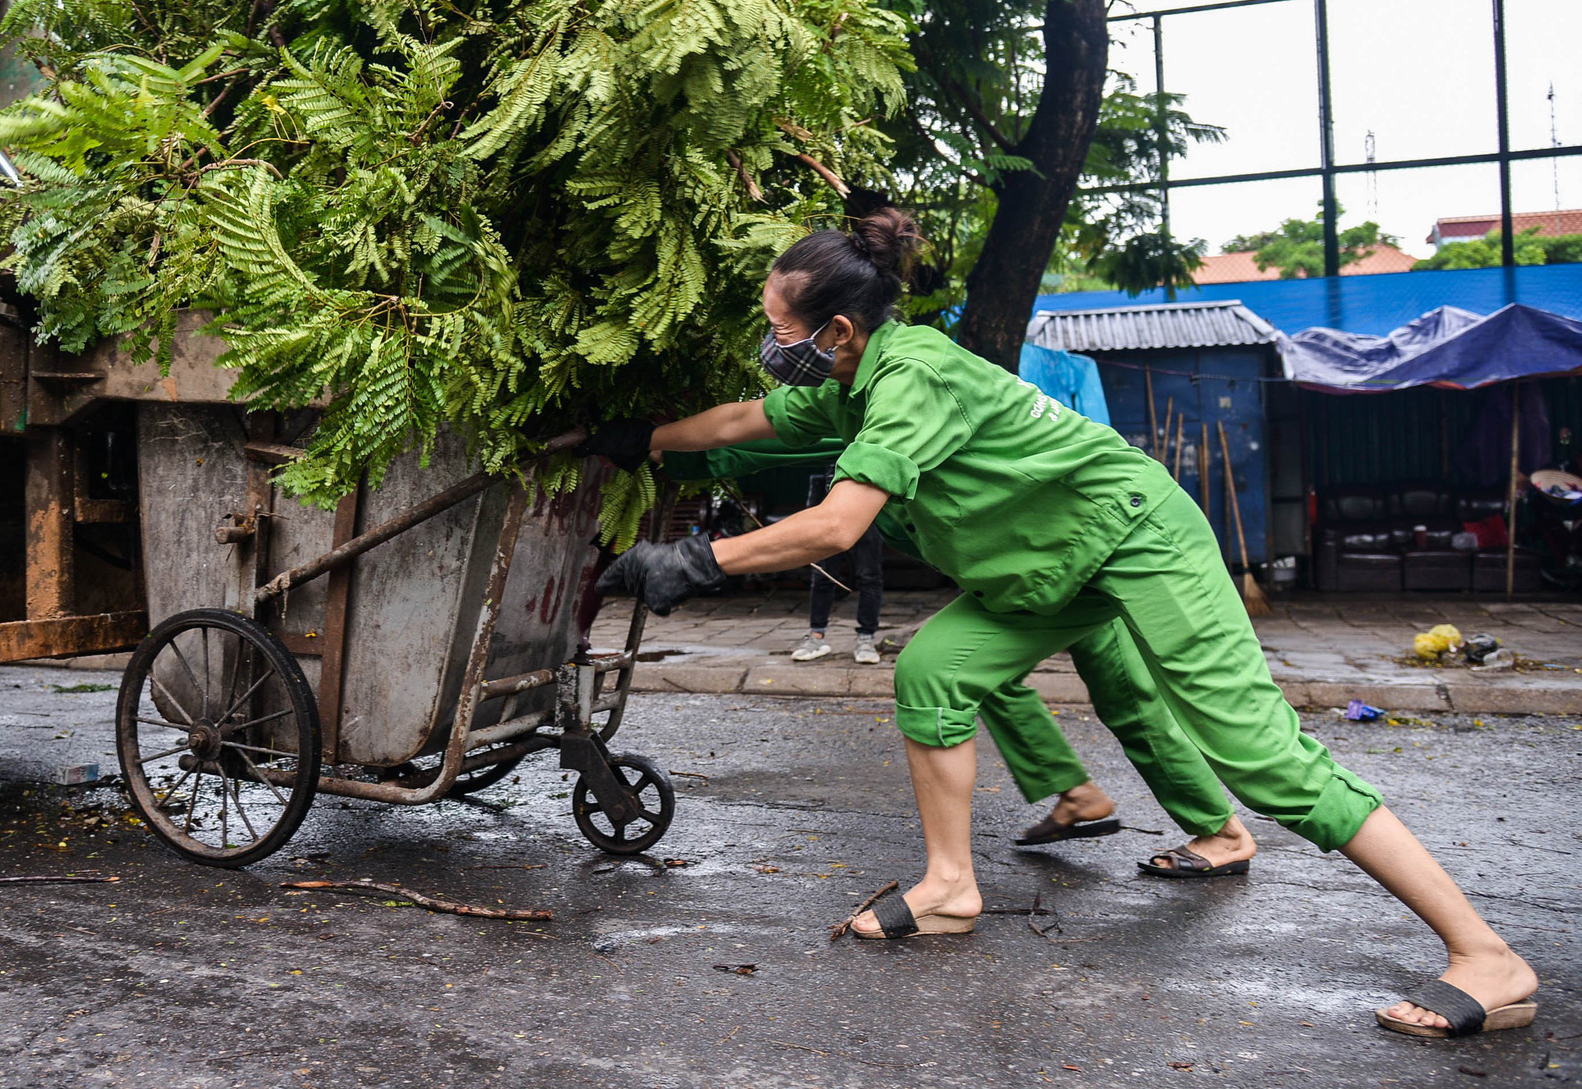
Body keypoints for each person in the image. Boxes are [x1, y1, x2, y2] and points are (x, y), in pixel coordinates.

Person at [585, 207, 1538, 1038]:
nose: (770, 343)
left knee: (1261, 756)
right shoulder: (852, 379)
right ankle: (952, 888)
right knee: (934, 674)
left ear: (834, 329)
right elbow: (747, 420)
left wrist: (699, 559)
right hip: (1047, 565)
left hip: (1132, 536)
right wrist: (636, 440)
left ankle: (1487, 957)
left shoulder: (912, 376)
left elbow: (837, 524)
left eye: (776, 328)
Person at [660, 440, 1257, 873]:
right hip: (1026, 573)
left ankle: (1222, 833)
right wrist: (666, 450)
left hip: (1072, 557)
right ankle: (1075, 793)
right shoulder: (859, 423)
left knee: (1128, 701)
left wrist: (677, 476)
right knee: (974, 672)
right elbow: (770, 443)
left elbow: (778, 454)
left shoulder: (896, 416)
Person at [796, 466, 884, 664]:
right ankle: (816, 637)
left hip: (865, 488)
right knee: (823, 573)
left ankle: (866, 638)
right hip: (826, 485)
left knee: (869, 575)